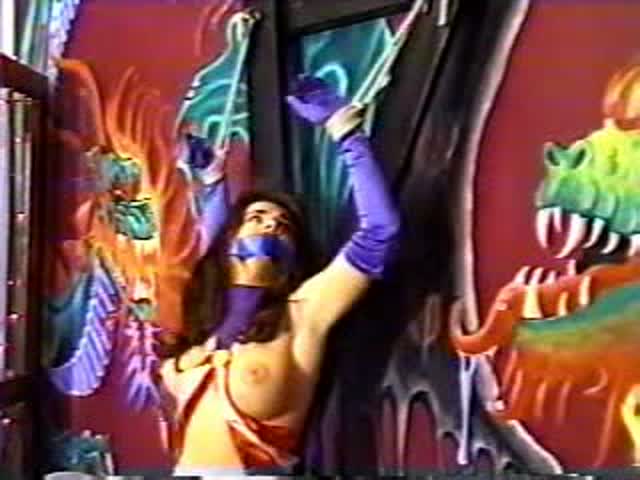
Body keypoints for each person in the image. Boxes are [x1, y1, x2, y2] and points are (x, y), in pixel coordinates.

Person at [158, 76, 401, 476]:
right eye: (257, 217)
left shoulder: (302, 313)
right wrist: (213, 183)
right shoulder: (206, 323)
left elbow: (380, 231)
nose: (270, 225)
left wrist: (345, 130)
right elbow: (215, 249)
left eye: (283, 225)